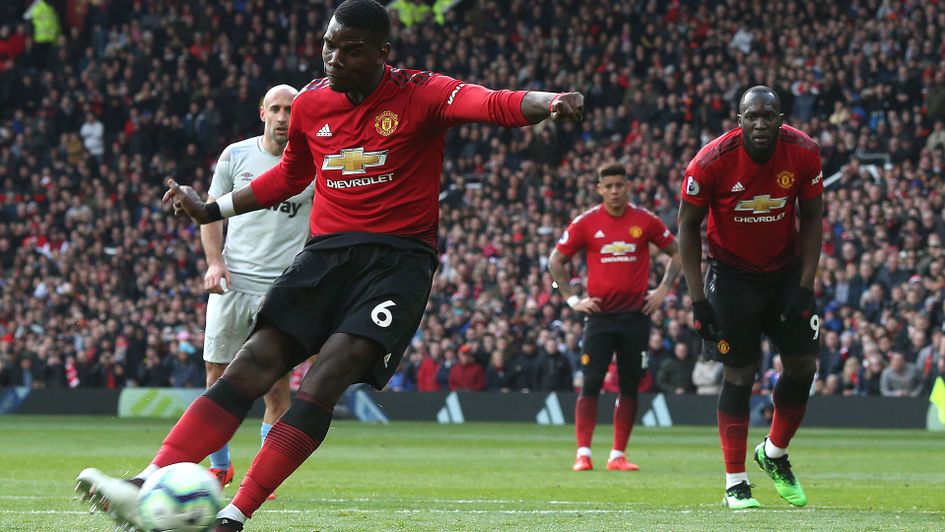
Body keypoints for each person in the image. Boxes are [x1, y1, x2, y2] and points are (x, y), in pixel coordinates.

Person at [75, 1, 584, 530]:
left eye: (350, 49)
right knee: (251, 364)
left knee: (325, 377)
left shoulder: (420, 93)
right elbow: (292, 175)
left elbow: (492, 102)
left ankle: (234, 515)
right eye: (328, 45)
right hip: (325, 256)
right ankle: (145, 482)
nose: (333, 58)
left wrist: (549, 102)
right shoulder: (314, 103)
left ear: (383, 53)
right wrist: (213, 209)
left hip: (397, 264)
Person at [677, 86, 823, 509]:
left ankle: (774, 453)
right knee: (740, 375)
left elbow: (812, 218)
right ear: (738, 120)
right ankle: (735, 483)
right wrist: (697, 300)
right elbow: (688, 228)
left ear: (781, 118)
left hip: (785, 272)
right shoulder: (710, 162)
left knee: (802, 366)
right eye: (751, 116)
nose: (760, 123)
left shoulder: (804, 152)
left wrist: (805, 286)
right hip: (732, 277)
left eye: (768, 115)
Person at [200, 84, 314, 497]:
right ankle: (220, 466)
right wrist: (215, 262)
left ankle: (262, 477)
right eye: (277, 109)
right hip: (233, 283)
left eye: (291, 110)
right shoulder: (235, 155)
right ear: (262, 113)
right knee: (217, 375)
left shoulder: (313, 162)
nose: (284, 117)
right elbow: (210, 214)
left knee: (277, 386)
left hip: (281, 289)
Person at [548, 162, 681, 472]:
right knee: (591, 383)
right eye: (608, 187)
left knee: (630, 386)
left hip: (636, 316)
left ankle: (617, 455)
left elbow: (676, 252)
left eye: (619, 185)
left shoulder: (644, 221)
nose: (614, 191)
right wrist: (572, 299)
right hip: (599, 318)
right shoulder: (586, 223)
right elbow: (556, 260)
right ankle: (583, 453)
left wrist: (662, 290)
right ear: (599, 189)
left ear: (627, 186)